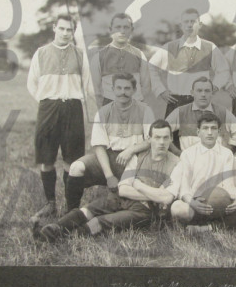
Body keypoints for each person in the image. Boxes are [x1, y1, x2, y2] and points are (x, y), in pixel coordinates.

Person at [34, 120, 180, 241]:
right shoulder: (138, 156)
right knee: (88, 210)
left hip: (145, 210)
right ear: (149, 139)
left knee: (102, 221)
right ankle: (55, 228)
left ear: (171, 139)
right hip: (120, 197)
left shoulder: (177, 163)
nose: (161, 142)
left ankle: (66, 238)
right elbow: (123, 189)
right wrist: (155, 194)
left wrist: (137, 184)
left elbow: (166, 198)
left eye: (165, 138)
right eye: (157, 137)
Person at [27, 14, 95, 221]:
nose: (66, 33)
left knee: (72, 159)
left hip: (73, 108)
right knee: (46, 159)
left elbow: (87, 85)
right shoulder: (41, 53)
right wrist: (47, 101)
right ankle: (50, 204)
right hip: (48, 108)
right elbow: (32, 83)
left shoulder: (81, 55)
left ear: (73, 32)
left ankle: (71, 206)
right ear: (54, 28)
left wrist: (74, 101)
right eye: (62, 29)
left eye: (70, 30)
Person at [64, 72, 156, 212]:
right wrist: (109, 176)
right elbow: (99, 147)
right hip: (108, 157)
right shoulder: (103, 112)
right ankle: (71, 211)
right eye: (118, 88)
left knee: (128, 199)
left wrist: (130, 150)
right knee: (76, 167)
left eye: (127, 88)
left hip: (136, 158)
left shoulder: (145, 110)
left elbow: (152, 140)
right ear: (113, 89)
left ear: (134, 90)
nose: (122, 92)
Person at [170, 111, 236, 234]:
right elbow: (185, 187)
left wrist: (233, 199)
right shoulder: (188, 154)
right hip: (198, 205)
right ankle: (230, 227)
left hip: (221, 204)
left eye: (213, 128)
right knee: (176, 207)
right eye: (205, 128)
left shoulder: (226, 154)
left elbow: (228, 182)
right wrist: (192, 202)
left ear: (219, 132)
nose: (209, 132)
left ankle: (206, 229)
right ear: (198, 132)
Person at [148, 8, 232, 117]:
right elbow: (151, 66)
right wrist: (159, 90)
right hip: (176, 101)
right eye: (186, 22)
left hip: (200, 101)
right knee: (174, 133)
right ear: (181, 25)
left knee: (201, 132)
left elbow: (223, 70)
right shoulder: (170, 47)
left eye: (193, 21)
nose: (189, 25)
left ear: (200, 24)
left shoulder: (210, 47)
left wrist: (214, 87)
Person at [166, 76, 236, 153]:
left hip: (216, 160)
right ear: (192, 93)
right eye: (199, 91)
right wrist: (177, 152)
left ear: (212, 93)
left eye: (207, 91)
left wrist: (229, 150)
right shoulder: (181, 112)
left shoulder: (222, 111)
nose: (203, 94)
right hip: (189, 161)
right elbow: (163, 131)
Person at [89, 13, 151, 106]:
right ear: (111, 30)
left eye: (126, 27)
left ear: (131, 30)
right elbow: (95, 90)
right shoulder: (98, 57)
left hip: (135, 106)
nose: (122, 31)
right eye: (118, 27)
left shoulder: (140, 55)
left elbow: (146, 87)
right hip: (109, 106)